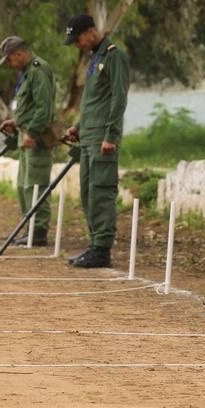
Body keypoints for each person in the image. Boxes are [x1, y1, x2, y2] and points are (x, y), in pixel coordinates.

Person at [63, 14, 130, 269]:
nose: (76, 45)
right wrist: (78, 128)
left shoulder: (115, 56)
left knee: (101, 193)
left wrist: (111, 136)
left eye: (78, 39)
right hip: (89, 138)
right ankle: (94, 245)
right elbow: (94, 102)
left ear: (91, 32)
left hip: (104, 140)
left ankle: (102, 249)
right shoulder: (95, 58)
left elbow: (118, 99)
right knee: (88, 193)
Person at [0, 35, 58, 247]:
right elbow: (30, 106)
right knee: (24, 185)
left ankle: (39, 231)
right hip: (26, 135)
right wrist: (16, 122)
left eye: (10, 60)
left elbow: (44, 107)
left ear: (19, 54)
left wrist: (31, 131)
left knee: (36, 185)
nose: (9, 65)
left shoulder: (38, 69)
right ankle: (29, 227)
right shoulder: (27, 72)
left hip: (37, 138)